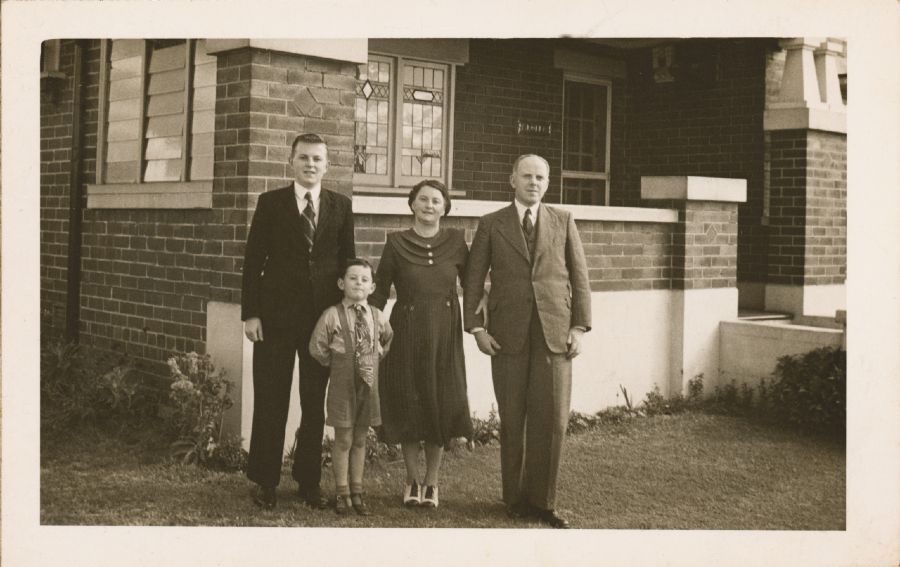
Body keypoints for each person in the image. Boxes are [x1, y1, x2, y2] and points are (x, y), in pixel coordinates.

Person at [462, 154, 592, 529]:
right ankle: (514, 498)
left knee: (552, 419)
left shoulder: (563, 220)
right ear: (512, 179)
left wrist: (579, 327)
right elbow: (473, 280)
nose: (533, 183)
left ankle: (544, 501)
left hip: (555, 332)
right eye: (527, 176)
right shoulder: (491, 224)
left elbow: (580, 278)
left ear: (547, 183)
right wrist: (476, 329)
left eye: (540, 177)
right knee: (513, 417)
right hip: (506, 334)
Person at [241, 133, 356, 510]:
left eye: (317, 159)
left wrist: (345, 315)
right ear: (292, 162)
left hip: (321, 322)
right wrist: (251, 313)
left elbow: (348, 264)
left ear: (327, 164)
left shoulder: (341, 206)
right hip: (273, 318)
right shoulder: (271, 203)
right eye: (304, 158)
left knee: (312, 403)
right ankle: (266, 481)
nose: (310, 164)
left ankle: (308, 482)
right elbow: (253, 261)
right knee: (271, 398)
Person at [369, 179, 473, 509]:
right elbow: (380, 290)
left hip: (444, 331)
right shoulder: (396, 242)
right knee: (408, 404)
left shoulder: (457, 242)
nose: (429, 205)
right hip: (406, 330)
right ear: (412, 204)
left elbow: (471, 286)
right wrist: (373, 321)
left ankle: (433, 483)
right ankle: (412, 480)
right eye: (423, 199)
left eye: (436, 201)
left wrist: (482, 318)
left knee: (438, 403)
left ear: (445, 207)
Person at [309, 259, 393, 516]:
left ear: (373, 287)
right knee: (344, 438)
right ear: (341, 283)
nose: (359, 283)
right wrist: (338, 364)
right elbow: (317, 348)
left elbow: (388, 338)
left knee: (360, 438)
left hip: (368, 385)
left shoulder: (377, 316)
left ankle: (357, 491)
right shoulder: (331, 315)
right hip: (342, 384)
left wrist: (376, 355)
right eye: (353, 278)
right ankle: (342, 491)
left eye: (364, 280)